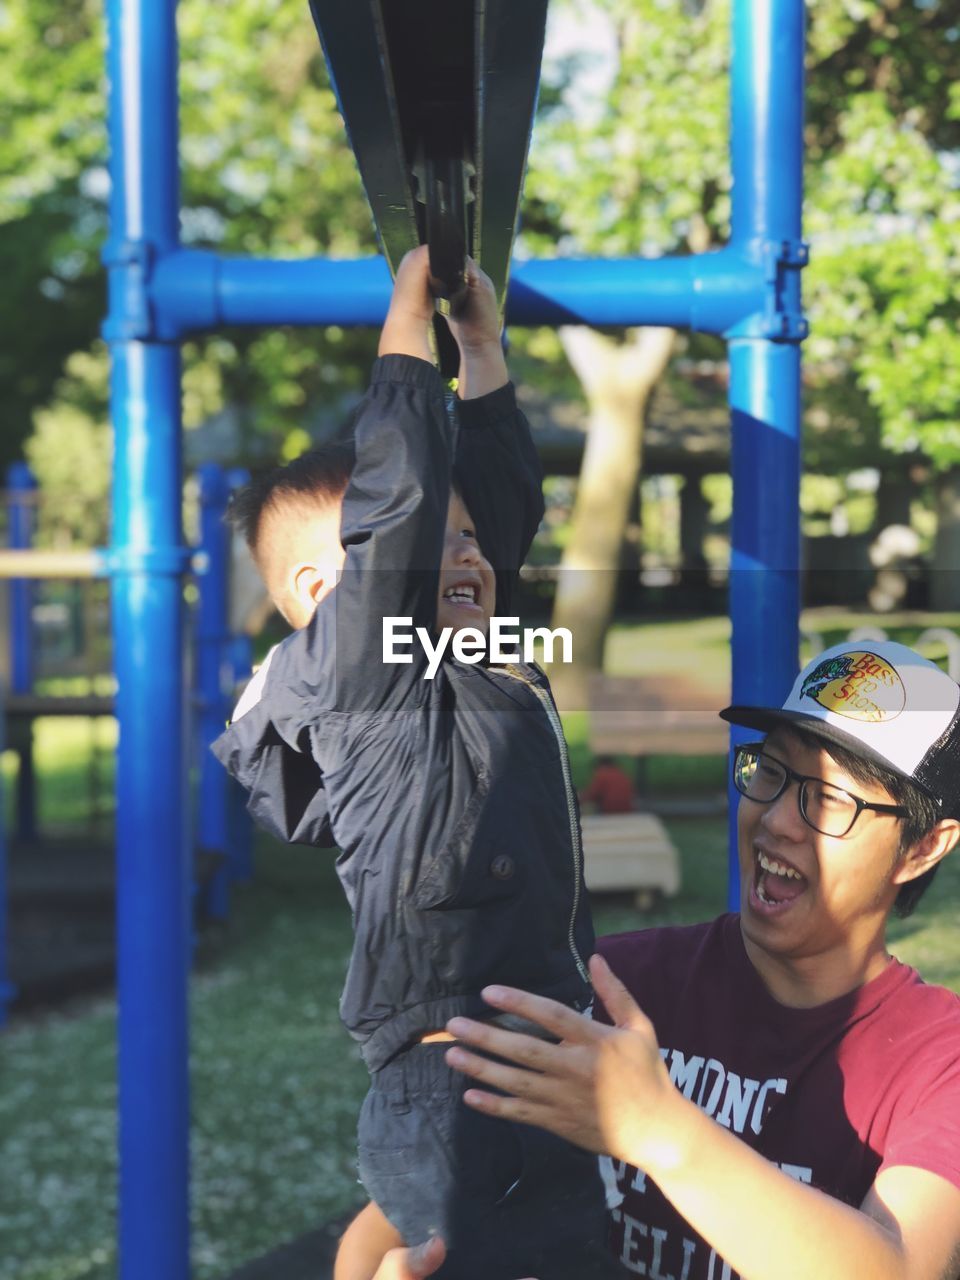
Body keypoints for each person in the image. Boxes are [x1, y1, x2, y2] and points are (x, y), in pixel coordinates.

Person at [214, 247, 615, 1280]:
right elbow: (398, 511)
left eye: (469, 537)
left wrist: (480, 348)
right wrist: (407, 328)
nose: (472, 551)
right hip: (451, 1077)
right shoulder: (367, 675)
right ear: (323, 589)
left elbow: (500, 502)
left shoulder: (459, 654)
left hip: (539, 1052)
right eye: (447, 541)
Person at [349, 640, 960, 1280]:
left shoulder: (937, 1064)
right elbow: (378, 1235)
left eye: (830, 798)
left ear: (922, 848)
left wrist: (654, 1128)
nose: (778, 820)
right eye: (772, 773)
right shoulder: (617, 986)